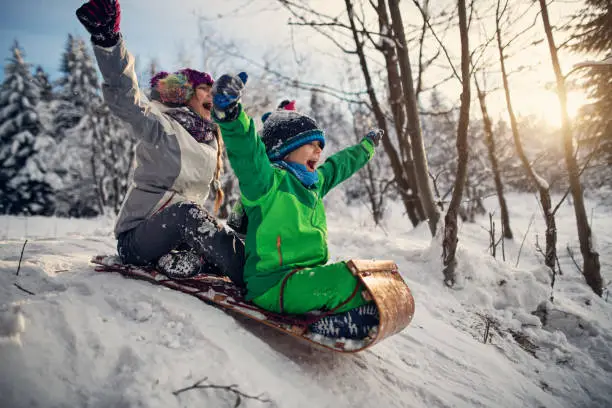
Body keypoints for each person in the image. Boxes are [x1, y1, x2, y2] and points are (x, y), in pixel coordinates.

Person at [76, 0, 244, 286]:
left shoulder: (209, 140)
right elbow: (124, 99)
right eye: (205, 88)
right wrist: (109, 42)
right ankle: (250, 275)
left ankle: (200, 261)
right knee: (187, 214)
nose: (211, 95)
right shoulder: (161, 126)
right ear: (185, 92)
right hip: (139, 238)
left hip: (177, 237)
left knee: (241, 214)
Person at [211, 73, 384, 339]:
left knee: (365, 275)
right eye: (311, 144)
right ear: (285, 149)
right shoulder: (267, 183)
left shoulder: (314, 185)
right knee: (347, 280)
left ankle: (344, 309)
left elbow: (340, 165)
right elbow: (248, 152)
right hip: (272, 284)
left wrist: (366, 147)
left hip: (304, 278)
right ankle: (333, 321)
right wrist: (232, 115)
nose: (319, 151)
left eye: (320, 145)